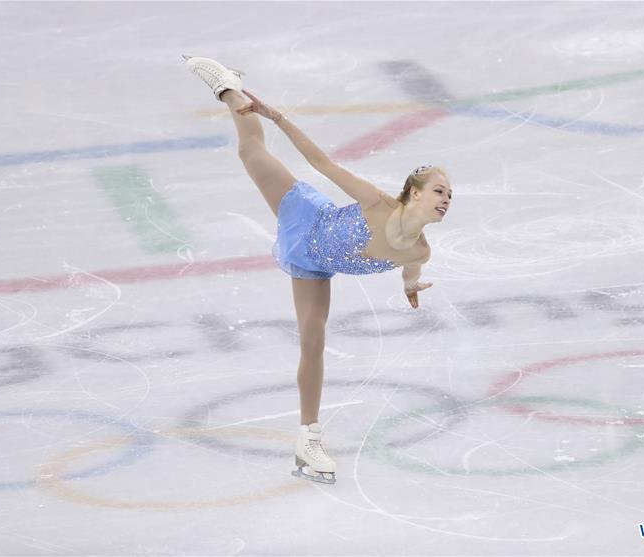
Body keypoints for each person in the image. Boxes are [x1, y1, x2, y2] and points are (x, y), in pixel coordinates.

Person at [185, 57, 452, 484]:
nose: (446, 199)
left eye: (450, 194)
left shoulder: (420, 251)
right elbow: (323, 164)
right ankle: (228, 87)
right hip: (305, 215)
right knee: (250, 149)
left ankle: (308, 438)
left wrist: (413, 286)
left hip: (313, 267)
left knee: (313, 338)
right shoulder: (378, 204)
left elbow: (410, 270)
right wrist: (276, 116)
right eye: (439, 191)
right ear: (414, 194)